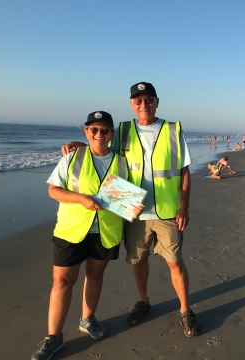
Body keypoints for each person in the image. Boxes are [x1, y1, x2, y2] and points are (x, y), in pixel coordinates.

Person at [61, 82, 200, 337]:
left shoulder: (172, 129)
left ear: (157, 102)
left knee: (175, 262)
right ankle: (143, 301)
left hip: (167, 211)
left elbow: (184, 171)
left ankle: (185, 311)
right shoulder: (122, 130)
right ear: (131, 104)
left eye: (148, 100)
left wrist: (184, 207)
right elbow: (101, 150)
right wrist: (81, 145)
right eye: (138, 100)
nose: (143, 105)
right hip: (133, 211)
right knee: (138, 261)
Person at [32, 111, 144, 360]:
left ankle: (87, 319)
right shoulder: (73, 157)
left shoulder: (123, 162)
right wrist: (81, 199)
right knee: (62, 282)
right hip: (71, 229)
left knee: (95, 274)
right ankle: (53, 337)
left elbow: (125, 197)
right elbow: (53, 190)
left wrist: (133, 205)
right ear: (86, 132)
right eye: (93, 129)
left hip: (106, 230)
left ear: (112, 134)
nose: (98, 134)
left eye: (104, 130)